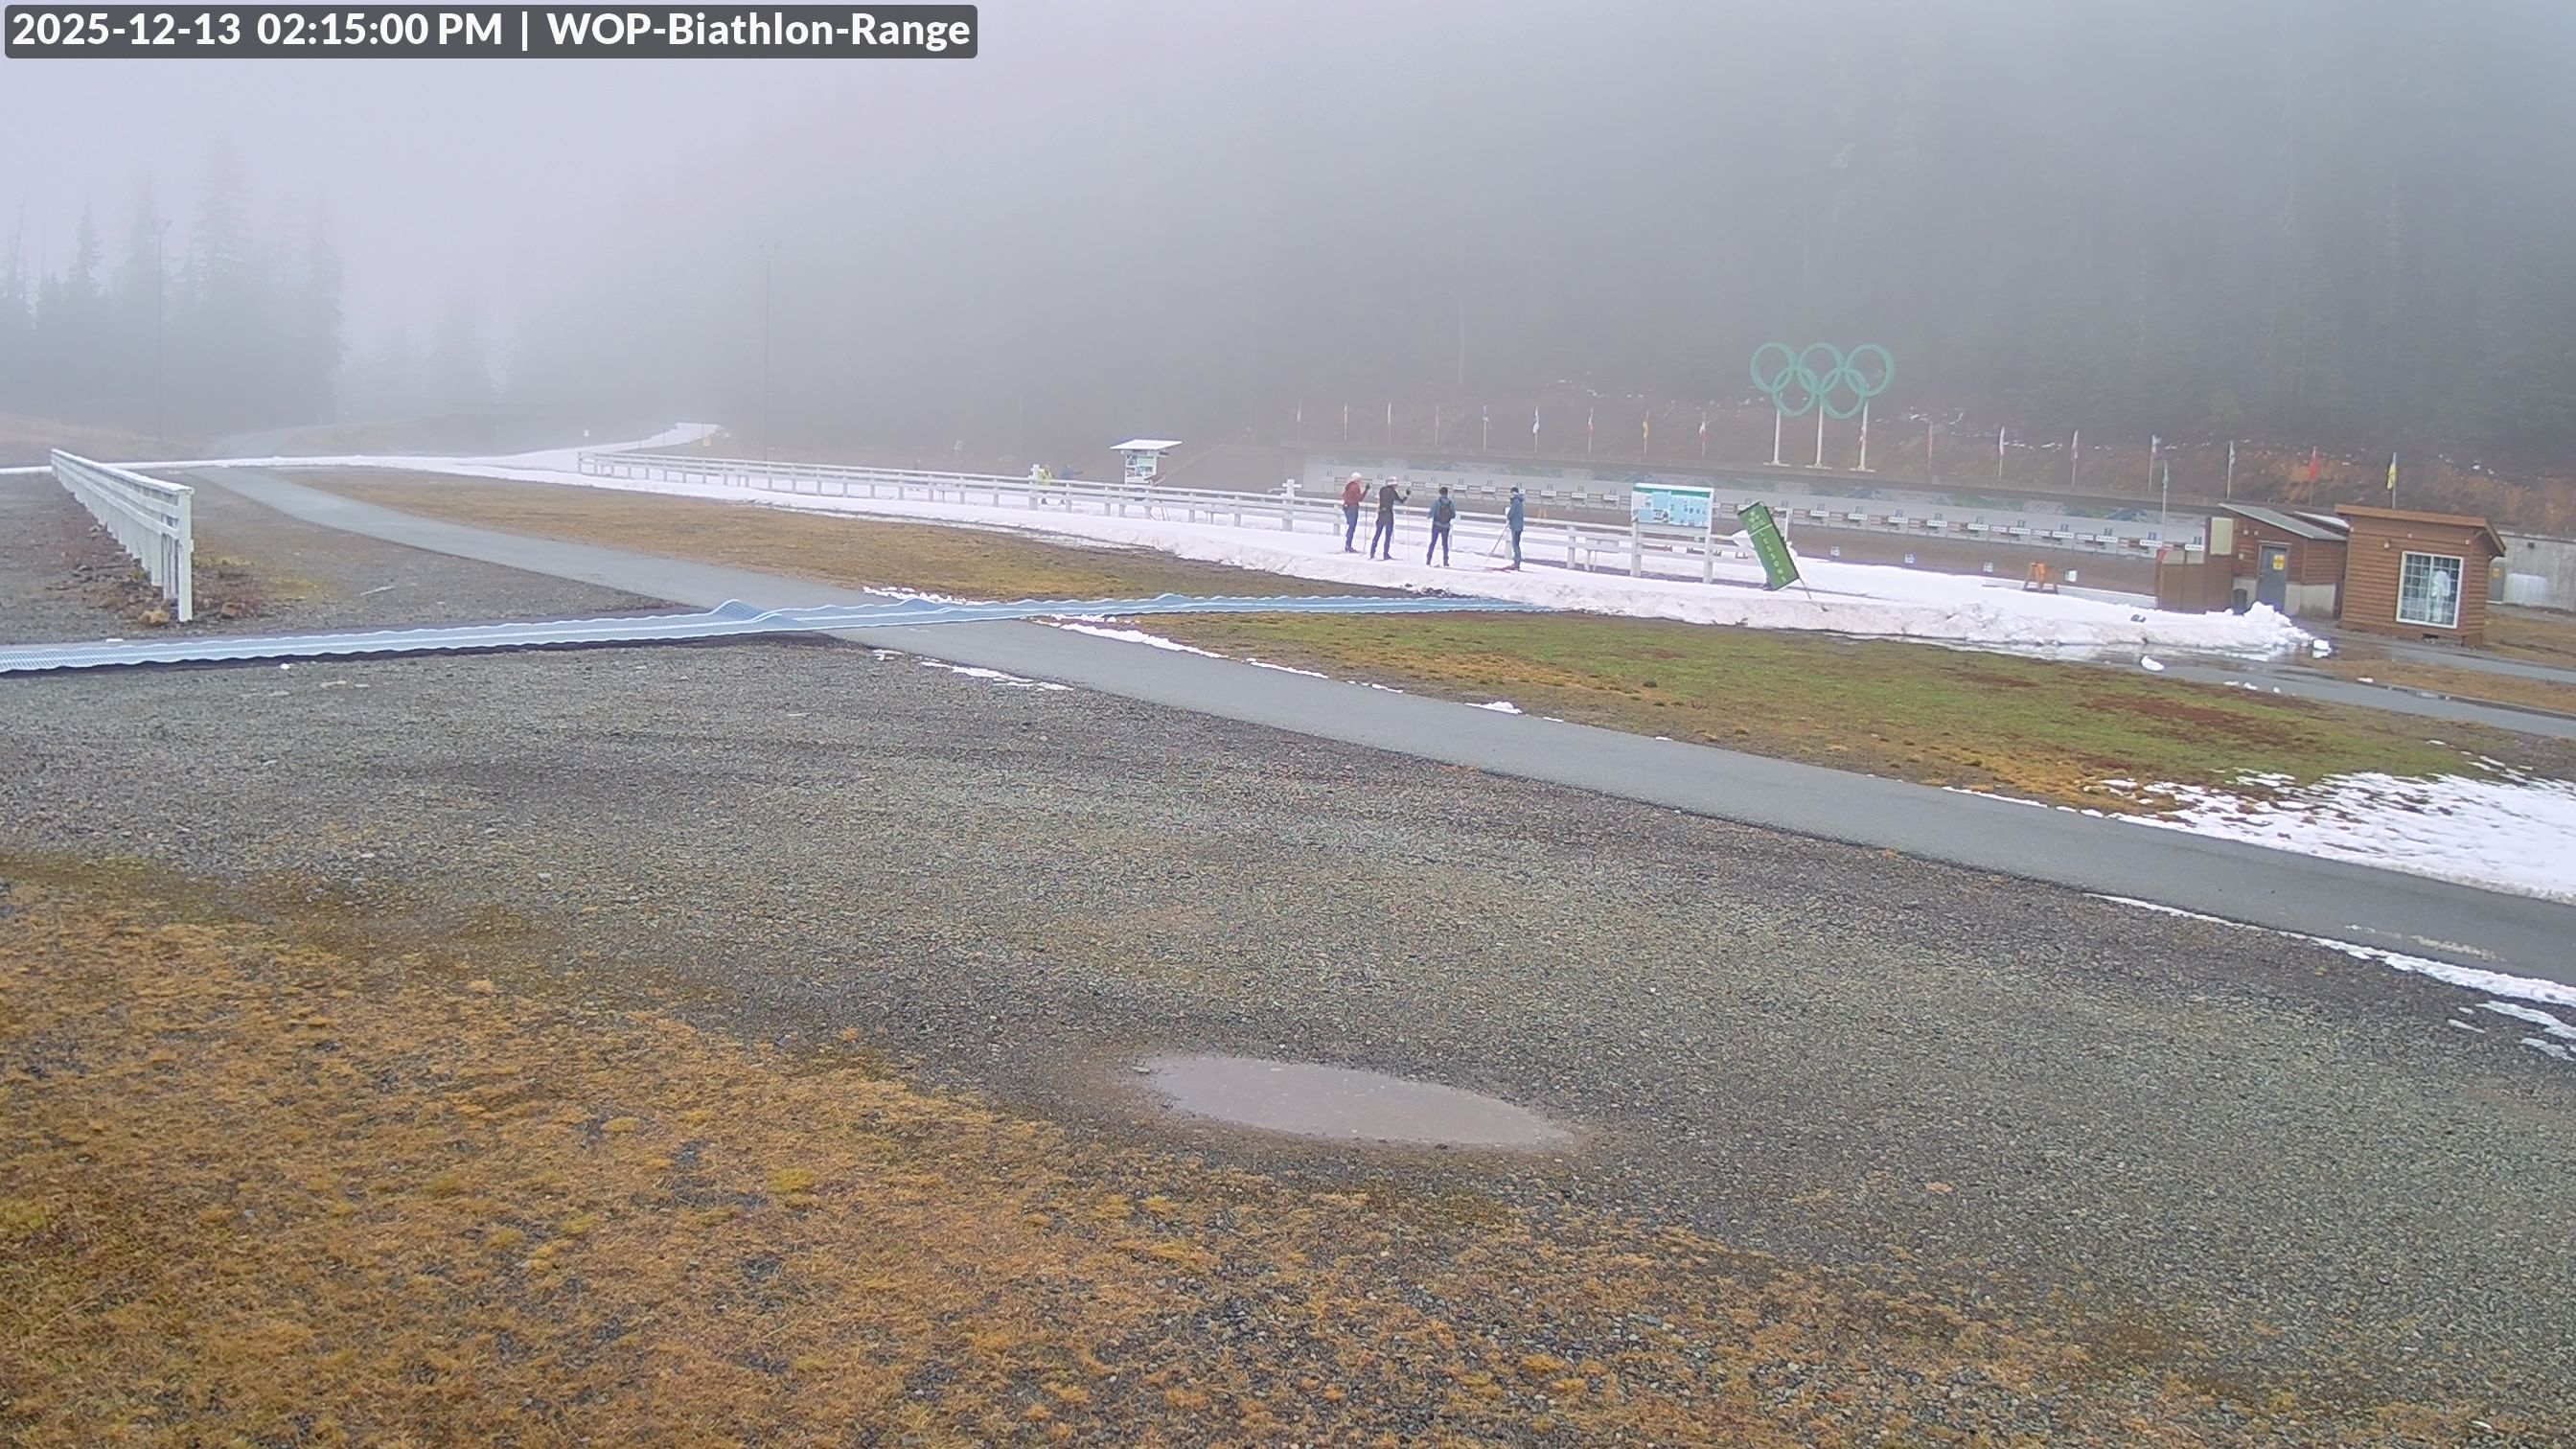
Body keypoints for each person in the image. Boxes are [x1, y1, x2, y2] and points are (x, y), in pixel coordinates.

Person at [1368, 476, 1407, 559]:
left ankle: (1372, 552)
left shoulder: (1382, 490)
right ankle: (1385, 553)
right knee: (1388, 535)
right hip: (1388, 514)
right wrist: (1406, 495)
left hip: (1381, 513)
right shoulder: (1392, 492)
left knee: (1377, 533)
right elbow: (1400, 501)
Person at [1425, 486, 1457, 566]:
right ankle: (1445, 561)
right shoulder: (1451, 503)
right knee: (1445, 544)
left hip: (1436, 525)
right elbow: (1453, 515)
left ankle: (1429, 560)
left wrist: (1428, 516)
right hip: (1446, 526)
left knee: (1433, 543)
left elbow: (1432, 513)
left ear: (1440, 493)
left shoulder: (1437, 502)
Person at [1340, 472, 1367, 552]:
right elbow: (1360, 498)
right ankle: (1348, 545)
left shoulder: (1348, 486)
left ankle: (1347, 544)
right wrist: (1366, 491)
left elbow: (1344, 495)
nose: (1361, 481)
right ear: (1357, 479)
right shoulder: (1355, 487)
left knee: (1350, 526)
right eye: (1360, 480)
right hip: (1353, 507)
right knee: (1352, 527)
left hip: (1347, 507)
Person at [1505, 486, 1526, 570]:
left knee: (1515, 544)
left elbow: (1511, 513)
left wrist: (1508, 517)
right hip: (1518, 526)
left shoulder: (1516, 502)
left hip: (1516, 526)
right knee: (1516, 544)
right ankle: (1517, 561)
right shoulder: (1519, 501)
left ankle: (1517, 562)